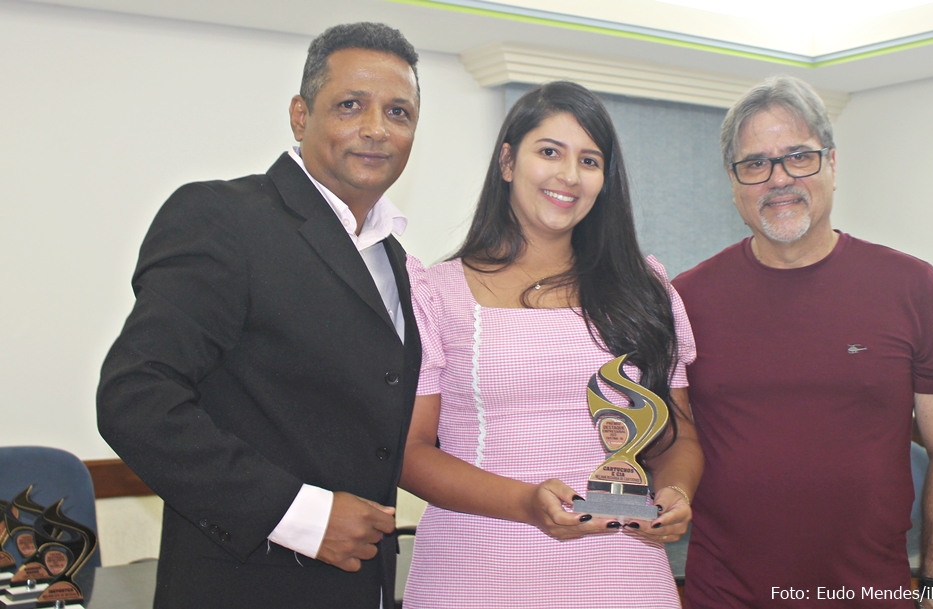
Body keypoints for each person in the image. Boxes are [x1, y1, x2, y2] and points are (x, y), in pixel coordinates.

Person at [96, 23, 422, 608]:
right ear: (300, 116)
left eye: (398, 112)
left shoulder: (396, 259)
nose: (377, 128)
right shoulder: (223, 217)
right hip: (244, 586)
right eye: (351, 105)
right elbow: (136, 399)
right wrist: (300, 516)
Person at [672, 75, 933, 609]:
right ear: (734, 182)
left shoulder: (911, 287)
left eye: (799, 157)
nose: (779, 179)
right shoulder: (685, 299)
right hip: (726, 595)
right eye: (755, 164)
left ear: (832, 164)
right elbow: (671, 440)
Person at [398, 81, 702, 609]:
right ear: (508, 162)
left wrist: (675, 493)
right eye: (549, 152)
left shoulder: (645, 290)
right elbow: (410, 453)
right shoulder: (436, 292)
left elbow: (676, 438)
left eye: (589, 160)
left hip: (623, 575)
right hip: (476, 573)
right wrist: (526, 502)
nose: (569, 176)